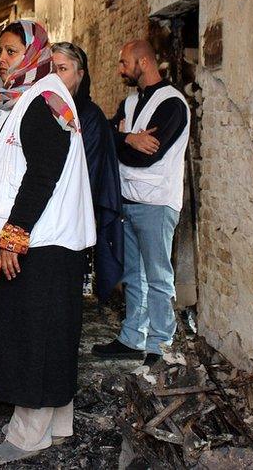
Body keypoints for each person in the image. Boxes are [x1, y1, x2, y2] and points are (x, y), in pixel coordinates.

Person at [0, 20, 95, 465]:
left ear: (33, 53)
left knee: (31, 336)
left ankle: (28, 435)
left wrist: (13, 235)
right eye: (1, 51)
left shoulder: (43, 100)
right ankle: (58, 421)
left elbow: (43, 172)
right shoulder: (32, 97)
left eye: (10, 51)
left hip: (40, 244)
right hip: (46, 242)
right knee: (51, 332)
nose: (2, 60)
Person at [91, 39, 190, 367]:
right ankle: (133, 338)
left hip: (157, 202)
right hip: (127, 200)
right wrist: (127, 138)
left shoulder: (172, 103)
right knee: (133, 273)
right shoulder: (131, 103)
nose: (120, 69)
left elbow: (149, 156)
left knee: (158, 276)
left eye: (124, 63)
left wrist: (123, 141)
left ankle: (161, 345)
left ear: (143, 62)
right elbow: (107, 138)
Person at [50, 42, 124, 301]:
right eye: (51, 69)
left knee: (63, 289)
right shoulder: (46, 110)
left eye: (62, 69)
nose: (55, 76)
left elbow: (87, 176)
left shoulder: (90, 118)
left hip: (69, 214)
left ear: (80, 74)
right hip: (43, 211)